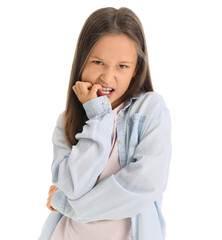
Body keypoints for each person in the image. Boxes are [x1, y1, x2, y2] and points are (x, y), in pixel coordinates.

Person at [38, 6, 172, 240]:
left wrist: (67, 204)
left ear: (136, 70)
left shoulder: (150, 110)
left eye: (122, 66)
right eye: (98, 62)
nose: (108, 77)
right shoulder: (67, 121)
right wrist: (99, 116)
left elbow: (144, 185)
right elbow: (74, 186)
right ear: (82, 61)